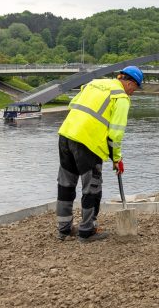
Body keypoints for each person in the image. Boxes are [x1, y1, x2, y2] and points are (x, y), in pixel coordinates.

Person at [55, 66, 143, 242]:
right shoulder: (121, 97)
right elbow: (115, 134)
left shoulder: (95, 83)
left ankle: (64, 230)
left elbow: (74, 105)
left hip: (66, 133)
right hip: (89, 142)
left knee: (66, 184)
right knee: (92, 188)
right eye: (135, 88)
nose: (133, 92)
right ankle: (87, 231)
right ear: (129, 82)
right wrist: (117, 159)